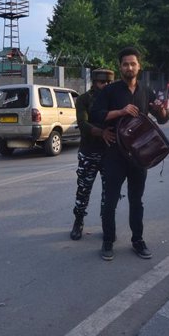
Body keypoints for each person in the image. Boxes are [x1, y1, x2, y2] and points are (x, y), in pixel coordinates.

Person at [91, 47, 169, 261]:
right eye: (125, 64)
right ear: (120, 67)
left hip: (139, 157)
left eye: (133, 63)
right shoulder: (110, 91)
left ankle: (138, 240)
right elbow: (95, 115)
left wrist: (161, 109)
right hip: (114, 155)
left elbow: (162, 118)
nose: (129, 67)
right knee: (110, 201)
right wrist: (120, 112)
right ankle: (108, 241)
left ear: (139, 66)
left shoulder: (146, 91)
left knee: (137, 201)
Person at [69, 68, 115, 241]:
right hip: (89, 153)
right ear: (95, 82)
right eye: (103, 82)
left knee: (109, 193)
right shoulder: (84, 99)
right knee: (83, 190)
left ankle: (107, 225)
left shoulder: (114, 100)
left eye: (109, 82)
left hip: (110, 154)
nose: (106, 85)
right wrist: (101, 132)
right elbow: (82, 124)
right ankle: (78, 221)